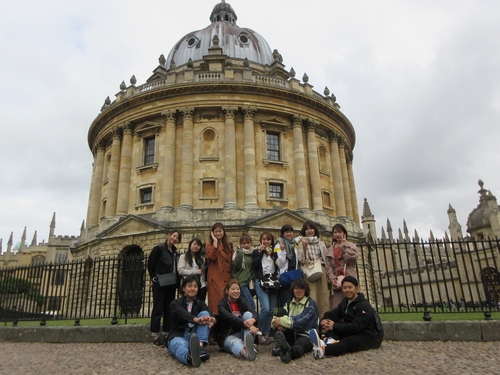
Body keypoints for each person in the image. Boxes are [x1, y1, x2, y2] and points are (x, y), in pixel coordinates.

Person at [309, 276, 381, 359]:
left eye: (350, 287)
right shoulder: (345, 302)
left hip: (367, 336)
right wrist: (324, 321)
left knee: (347, 342)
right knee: (329, 318)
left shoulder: (364, 306)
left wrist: (334, 326)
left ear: (356, 288)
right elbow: (334, 314)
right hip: (351, 330)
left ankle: (324, 349)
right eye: (344, 288)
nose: (347, 290)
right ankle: (331, 340)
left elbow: (357, 327)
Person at [167, 275, 216, 367]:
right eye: (190, 286)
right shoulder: (175, 303)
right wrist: (195, 319)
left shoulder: (200, 303)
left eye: (195, 286)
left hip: (194, 336)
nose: (193, 289)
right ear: (184, 288)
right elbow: (181, 313)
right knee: (179, 345)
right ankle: (189, 358)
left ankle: (199, 347)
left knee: (205, 314)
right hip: (179, 335)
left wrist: (211, 319)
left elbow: (209, 312)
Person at [271, 278, 319, 363]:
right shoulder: (289, 303)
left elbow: (301, 320)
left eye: (301, 288)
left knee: (300, 346)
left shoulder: (311, 303)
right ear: (293, 290)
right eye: (296, 288)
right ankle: (280, 346)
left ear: (305, 290)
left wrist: (281, 321)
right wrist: (277, 324)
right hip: (292, 333)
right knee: (281, 311)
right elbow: (275, 319)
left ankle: (290, 353)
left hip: (306, 334)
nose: (298, 291)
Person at [147, 229, 181, 347]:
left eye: (177, 238)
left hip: (171, 284)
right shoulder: (159, 248)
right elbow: (150, 264)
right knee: (158, 309)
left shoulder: (176, 252)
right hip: (160, 283)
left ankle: (167, 333)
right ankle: (155, 335)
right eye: (174, 236)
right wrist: (153, 279)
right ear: (169, 235)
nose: (175, 239)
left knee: (168, 309)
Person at [217, 279, 259, 361]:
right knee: (235, 343)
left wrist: (253, 320)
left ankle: (248, 344)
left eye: (238, 289)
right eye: (233, 289)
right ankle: (244, 352)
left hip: (243, 333)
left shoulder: (242, 301)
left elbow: (254, 313)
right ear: (227, 290)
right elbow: (231, 318)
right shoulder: (222, 305)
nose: (236, 291)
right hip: (228, 336)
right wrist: (248, 324)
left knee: (248, 314)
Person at [297, 220, 329, 318]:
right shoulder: (301, 244)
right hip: (309, 272)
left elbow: (326, 260)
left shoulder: (321, 244)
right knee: (311, 298)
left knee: (323, 299)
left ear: (315, 230)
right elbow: (302, 260)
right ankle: (312, 324)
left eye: (311, 229)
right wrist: (305, 248)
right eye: (307, 229)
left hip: (321, 271)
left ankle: (323, 325)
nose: (309, 231)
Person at [252, 231, 278, 345]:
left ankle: (267, 334)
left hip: (273, 281)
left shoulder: (274, 252)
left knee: (271, 310)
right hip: (261, 281)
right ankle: (259, 332)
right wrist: (261, 252)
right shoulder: (256, 252)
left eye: (268, 239)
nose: (266, 241)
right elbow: (256, 264)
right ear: (260, 240)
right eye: (264, 239)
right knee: (265, 309)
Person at [325, 223, 358, 310]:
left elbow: (350, 259)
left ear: (344, 233)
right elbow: (328, 267)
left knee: (351, 301)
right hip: (336, 278)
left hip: (348, 275)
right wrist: (332, 279)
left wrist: (344, 246)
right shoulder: (329, 249)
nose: (337, 234)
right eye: (335, 232)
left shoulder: (350, 245)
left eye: (340, 232)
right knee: (337, 305)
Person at [205, 222, 233, 316]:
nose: (218, 233)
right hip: (215, 277)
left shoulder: (229, 244)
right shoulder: (209, 244)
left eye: (220, 231)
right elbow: (212, 257)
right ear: (212, 233)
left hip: (227, 277)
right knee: (215, 305)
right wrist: (215, 243)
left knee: (227, 302)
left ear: (223, 232)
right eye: (216, 232)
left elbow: (232, 260)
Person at [275, 224, 299, 307]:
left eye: (291, 232)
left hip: (294, 277)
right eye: (287, 232)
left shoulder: (295, 245)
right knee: (285, 303)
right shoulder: (279, 245)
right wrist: (283, 251)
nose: (289, 234)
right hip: (285, 277)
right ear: (282, 234)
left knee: (295, 303)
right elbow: (280, 264)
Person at [178, 238, 207, 302]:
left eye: (198, 245)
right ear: (190, 245)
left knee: (199, 305)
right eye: (194, 244)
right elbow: (180, 271)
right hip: (188, 284)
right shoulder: (183, 257)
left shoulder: (202, 259)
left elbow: (203, 273)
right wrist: (195, 272)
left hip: (201, 285)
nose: (196, 246)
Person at [233, 234, 256, 309]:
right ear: (240, 244)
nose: (246, 245)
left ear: (251, 243)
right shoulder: (238, 253)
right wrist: (239, 251)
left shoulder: (253, 252)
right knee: (251, 305)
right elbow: (237, 265)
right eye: (243, 243)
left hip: (250, 283)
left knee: (245, 306)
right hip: (242, 283)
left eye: (247, 243)